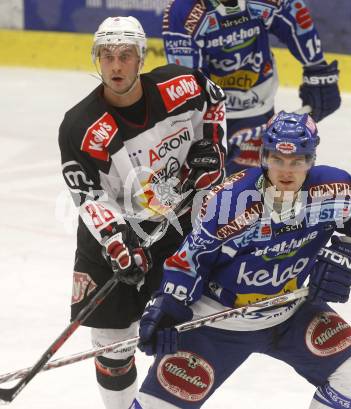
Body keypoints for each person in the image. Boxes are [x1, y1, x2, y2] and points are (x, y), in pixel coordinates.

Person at [132, 111, 351, 409]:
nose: (287, 171)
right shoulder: (230, 201)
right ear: (263, 158)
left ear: (311, 161)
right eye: (278, 160)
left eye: (297, 161)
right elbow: (190, 260)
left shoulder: (335, 189)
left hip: (291, 313)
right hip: (219, 321)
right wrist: (167, 304)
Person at [58, 16, 227, 409]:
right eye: (107, 56)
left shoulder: (180, 86)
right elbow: (89, 197)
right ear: (97, 60)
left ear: (141, 58)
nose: (116, 66)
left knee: (181, 332)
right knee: (112, 350)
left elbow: (214, 102)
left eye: (126, 55)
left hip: (177, 223)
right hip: (113, 233)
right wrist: (117, 242)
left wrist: (213, 146)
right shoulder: (80, 126)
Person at [162, 0, 341, 174]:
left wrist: (319, 72)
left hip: (259, 104)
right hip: (217, 114)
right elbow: (189, 82)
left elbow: (294, 20)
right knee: (210, 187)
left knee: (259, 185)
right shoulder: (182, 12)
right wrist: (206, 130)